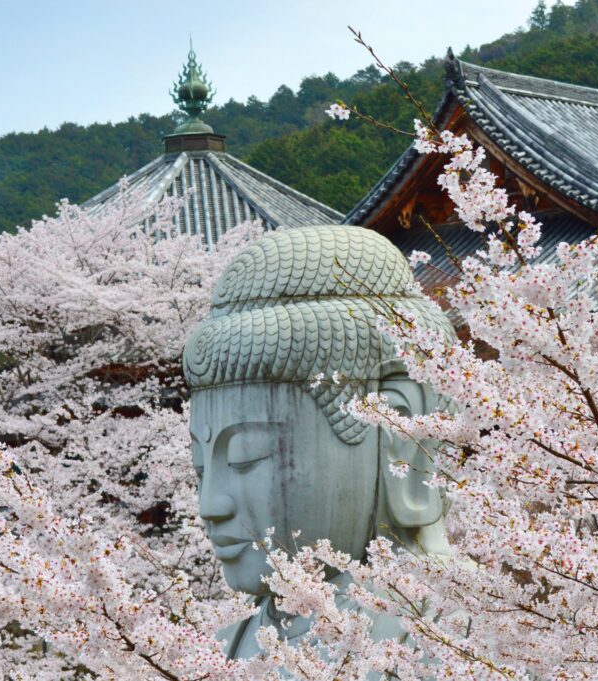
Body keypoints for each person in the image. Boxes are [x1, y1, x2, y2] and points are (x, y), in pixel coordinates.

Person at [183, 225, 455, 658]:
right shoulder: (219, 652)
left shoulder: (474, 641)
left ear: (400, 430)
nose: (210, 506)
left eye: (244, 458)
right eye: (201, 468)